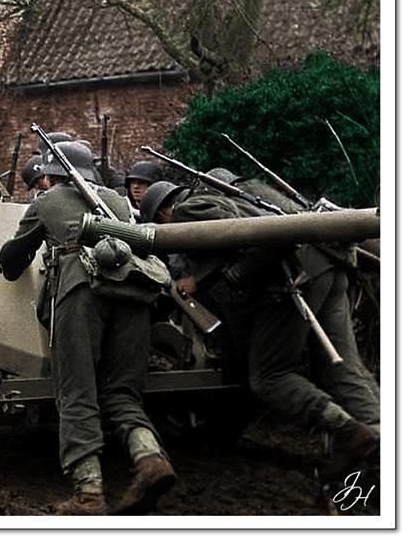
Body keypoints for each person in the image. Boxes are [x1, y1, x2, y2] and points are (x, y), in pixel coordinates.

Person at [140, 179, 380, 485]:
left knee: (270, 376)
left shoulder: (187, 210)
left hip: (296, 275)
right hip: (329, 264)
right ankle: (381, 442)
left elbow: (245, 236)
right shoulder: (232, 195)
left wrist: (198, 280)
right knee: (343, 367)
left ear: (163, 215)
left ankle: (347, 430)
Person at [0, 141, 175, 515]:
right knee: (122, 391)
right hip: (134, 290)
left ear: (50, 175)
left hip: (81, 290)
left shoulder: (46, 201)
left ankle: (89, 493)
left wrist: (9, 261)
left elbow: (13, 260)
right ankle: (150, 459)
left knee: (77, 390)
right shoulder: (118, 200)